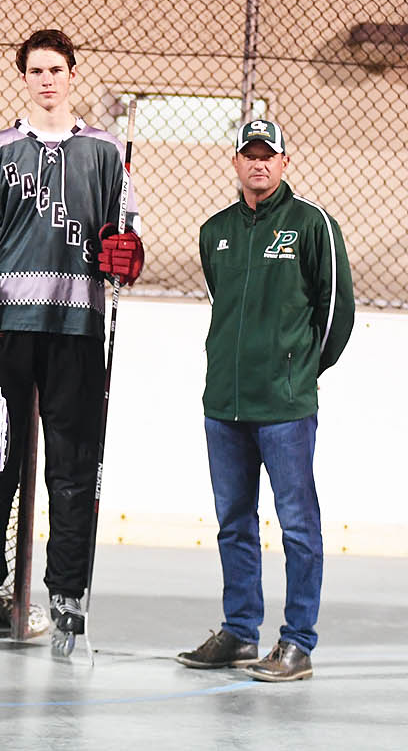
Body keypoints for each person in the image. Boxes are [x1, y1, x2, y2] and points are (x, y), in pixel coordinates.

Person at [0, 29, 145, 650]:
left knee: (72, 469)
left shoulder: (106, 150)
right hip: (6, 325)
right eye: (35, 69)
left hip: (77, 324)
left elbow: (128, 239)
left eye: (56, 69)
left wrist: (128, 257)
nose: (46, 79)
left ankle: (67, 595)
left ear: (71, 74)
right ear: (24, 77)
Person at [176, 120, 353, 682]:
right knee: (233, 521)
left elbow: (335, 313)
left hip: (284, 407)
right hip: (223, 406)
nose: (258, 164)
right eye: (248, 155)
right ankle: (239, 631)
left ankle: (297, 642)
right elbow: (221, 301)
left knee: (298, 524)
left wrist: (298, 372)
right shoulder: (215, 231)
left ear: (284, 161)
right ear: (235, 163)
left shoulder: (312, 225)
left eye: (268, 155)